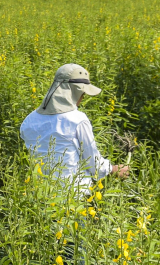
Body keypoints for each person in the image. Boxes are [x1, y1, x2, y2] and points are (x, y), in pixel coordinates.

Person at [20, 64, 129, 198]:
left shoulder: (29, 120)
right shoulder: (77, 120)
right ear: (74, 93)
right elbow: (93, 162)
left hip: (40, 195)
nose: (82, 98)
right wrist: (112, 169)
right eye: (82, 94)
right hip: (74, 197)